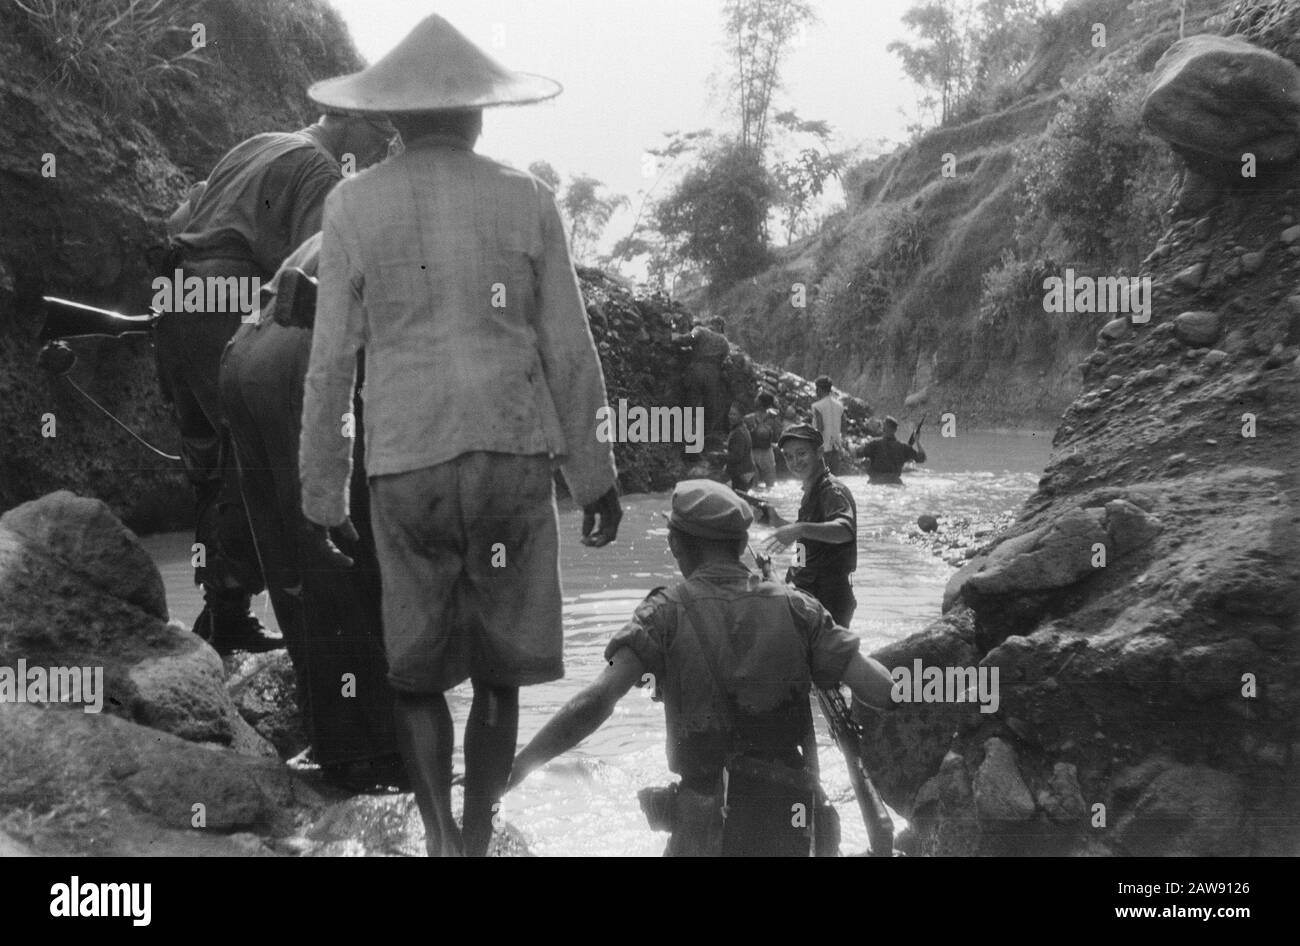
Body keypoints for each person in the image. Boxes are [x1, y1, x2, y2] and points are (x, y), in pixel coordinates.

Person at [298, 14, 623, 857]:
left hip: (406, 463)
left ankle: (439, 839)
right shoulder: (526, 198)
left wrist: (321, 493)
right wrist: (594, 475)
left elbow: (331, 364)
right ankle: (479, 837)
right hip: (511, 454)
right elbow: (570, 351)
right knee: (498, 669)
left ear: (393, 122)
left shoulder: (350, 205)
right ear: (479, 116)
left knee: (414, 671)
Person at [508, 480, 895, 856]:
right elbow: (880, 689)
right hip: (790, 820)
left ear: (675, 544)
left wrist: (518, 767)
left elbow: (597, 700)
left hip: (704, 824)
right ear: (742, 544)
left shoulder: (662, 615)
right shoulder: (800, 608)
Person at [163, 110, 395, 653]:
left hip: (176, 301)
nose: (382, 154)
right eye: (381, 140)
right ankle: (241, 617)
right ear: (351, 125)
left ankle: (223, 615)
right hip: (228, 299)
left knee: (212, 462)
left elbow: (179, 219)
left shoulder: (260, 141)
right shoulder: (319, 171)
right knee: (254, 455)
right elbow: (320, 274)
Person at [219, 232, 404, 790]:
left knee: (290, 558)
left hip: (245, 353)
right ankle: (369, 753)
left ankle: (333, 741)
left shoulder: (349, 212)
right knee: (346, 548)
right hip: (304, 351)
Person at [763, 424, 858, 628]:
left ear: (819, 452)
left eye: (801, 453)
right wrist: (777, 522)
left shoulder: (831, 491)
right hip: (809, 594)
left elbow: (845, 530)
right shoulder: (811, 491)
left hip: (828, 598)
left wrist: (799, 529)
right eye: (788, 456)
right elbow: (810, 542)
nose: (795, 462)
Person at [673, 317, 731, 436]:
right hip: (713, 376)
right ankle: (703, 437)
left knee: (691, 403)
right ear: (721, 327)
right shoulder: (724, 342)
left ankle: (686, 435)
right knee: (709, 407)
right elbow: (724, 360)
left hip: (696, 371)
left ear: (710, 323)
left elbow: (688, 339)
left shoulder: (700, 331)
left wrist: (672, 336)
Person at [860, 415, 927, 485]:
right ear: (895, 430)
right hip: (895, 482)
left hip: (875, 482)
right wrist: (917, 441)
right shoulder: (903, 447)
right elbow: (922, 458)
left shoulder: (874, 444)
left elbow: (858, 453)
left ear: (883, 429)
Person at [810, 376, 847, 475]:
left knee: (820, 477)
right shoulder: (839, 405)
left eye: (816, 389)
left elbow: (820, 428)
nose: (816, 392)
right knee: (834, 479)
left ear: (819, 389)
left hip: (822, 449)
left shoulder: (817, 406)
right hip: (836, 447)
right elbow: (844, 426)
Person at [744, 392, 781, 488]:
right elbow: (777, 433)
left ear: (759, 402)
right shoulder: (773, 418)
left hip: (752, 452)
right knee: (771, 483)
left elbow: (745, 436)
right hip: (766, 452)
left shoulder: (748, 418)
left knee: (753, 484)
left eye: (757, 398)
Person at [724, 402, 756, 491]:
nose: (730, 416)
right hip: (746, 472)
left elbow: (737, 456)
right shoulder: (742, 428)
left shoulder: (738, 432)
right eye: (730, 414)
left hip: (741, 474)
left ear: (741, 416)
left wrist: (719, 456)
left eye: (734, 414)